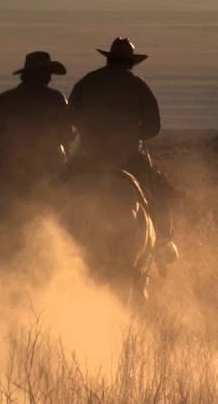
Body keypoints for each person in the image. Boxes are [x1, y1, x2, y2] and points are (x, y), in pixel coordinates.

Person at [67, 37, 178, 264]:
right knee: (158, 188)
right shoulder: (139, 85)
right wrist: (135, 134)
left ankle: (40, 236)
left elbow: (72, 117)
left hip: (88, 155)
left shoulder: (87, 82)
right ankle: (164, 242)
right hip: (127, 156)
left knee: (56, 186)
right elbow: (153, 127)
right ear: (130, 62)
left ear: (109, 59)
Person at [0, 51, 74, 214]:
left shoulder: (6, 99)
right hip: (49, 169)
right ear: (42, 75)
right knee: (66, 210)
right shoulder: (56, 99)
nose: (50, 77)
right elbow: (67, 136)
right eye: (48, 73)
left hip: (9, 169)